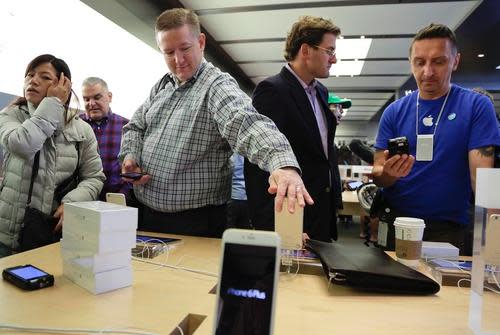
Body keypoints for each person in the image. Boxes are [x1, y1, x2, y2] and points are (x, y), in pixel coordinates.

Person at [118, 8, 313, 238]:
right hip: (146, 214)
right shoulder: (163, 85)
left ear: (200, 42)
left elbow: (246, 123)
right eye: (168, 52)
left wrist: (283, 164)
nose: (178, 60)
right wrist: (131, 157)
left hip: (193, 223)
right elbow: (135, 127)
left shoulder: (216, 86)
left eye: (185, 48)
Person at [372, 23, 500, 254]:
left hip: (447, 228)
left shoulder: (475, 106)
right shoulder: (394, 111)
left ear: (455, 61)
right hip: (397, 223)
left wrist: (494, 241)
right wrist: (388, 174)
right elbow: (379, 174)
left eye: (438, 61)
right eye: (420, 62)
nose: (428, 72)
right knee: (389, 290)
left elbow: (481, 177)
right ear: (411, 63)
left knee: (444, 289)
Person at [244, 16, 342, 242]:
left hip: (321, 210)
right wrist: (272, 226)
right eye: (329, 51)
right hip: (292, 215)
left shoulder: (322, 93)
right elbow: (257, 165)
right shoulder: (272, 90)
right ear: (306, 50)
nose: (334, 59)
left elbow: (323, 154)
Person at [0, 54, 105, 257]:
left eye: (45, 77)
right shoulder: (10, 115)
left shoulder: (82, 129)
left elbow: (94, 177)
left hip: (51, 235)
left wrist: (72, 202)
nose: (34, 80)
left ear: (63, 84)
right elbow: (23, 144)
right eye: (29, 75)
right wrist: (53, 102)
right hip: (7, 235)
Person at [81, 77, 130, 201]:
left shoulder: (127, 127)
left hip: (118, 200)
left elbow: (133, 167)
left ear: (109, 97)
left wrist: (123, 196)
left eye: (97, 97)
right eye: (86, 99)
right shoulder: (74, 126)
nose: (91, 103)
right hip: (81, 200)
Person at [226, 153, 251, 229]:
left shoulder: (230, 152)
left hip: (232, 197)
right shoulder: (251, 153)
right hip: (247, 198)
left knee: (229, 234)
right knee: (247, 236)